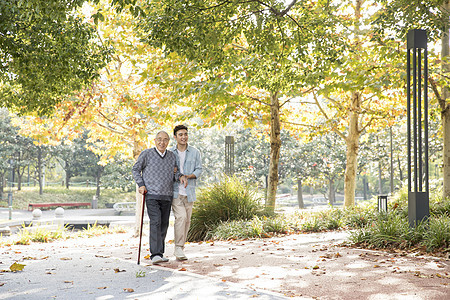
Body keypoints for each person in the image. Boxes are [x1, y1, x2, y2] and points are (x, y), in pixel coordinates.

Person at [132, 131, 187, 265]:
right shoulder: (147, 154)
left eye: (165, 140)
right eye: (159, 139)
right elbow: (135, 169)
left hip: (167, 195)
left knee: (164, 224)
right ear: (155, 140)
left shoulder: (171, 156)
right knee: (155, 222)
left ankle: (160, 253)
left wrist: (180, 177)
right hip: (151, 195)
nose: (162, 142)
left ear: (168, 141)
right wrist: (141, 184)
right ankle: (155, 254)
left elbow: (175, 172)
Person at [171, 125, 202, 260]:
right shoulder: (170, 153)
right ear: (175, 137)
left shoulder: (195, 152)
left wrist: (188, 176)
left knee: (187, 221)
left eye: (185, 134)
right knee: (181, 218)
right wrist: (178, 175)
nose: (183, 137)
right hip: (176, 192)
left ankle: (181, 248)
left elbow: (199, 170)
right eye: (180, 135)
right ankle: (178, 248)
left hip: (189, 192)